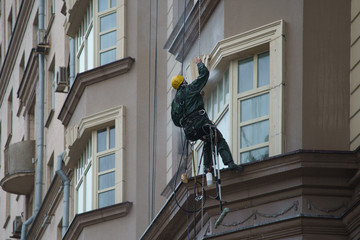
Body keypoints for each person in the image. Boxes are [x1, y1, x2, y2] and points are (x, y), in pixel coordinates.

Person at [171, 57, 242, 173]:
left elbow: (175, 121)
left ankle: (207, 168)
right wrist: (199, 64)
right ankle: (230, 163)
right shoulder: (190, 89)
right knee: (217, 137)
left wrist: (188, 119)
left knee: (209, 139)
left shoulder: (175, 103)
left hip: (189, 132)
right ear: (184, 82)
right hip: (200, 123)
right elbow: (204, 74)